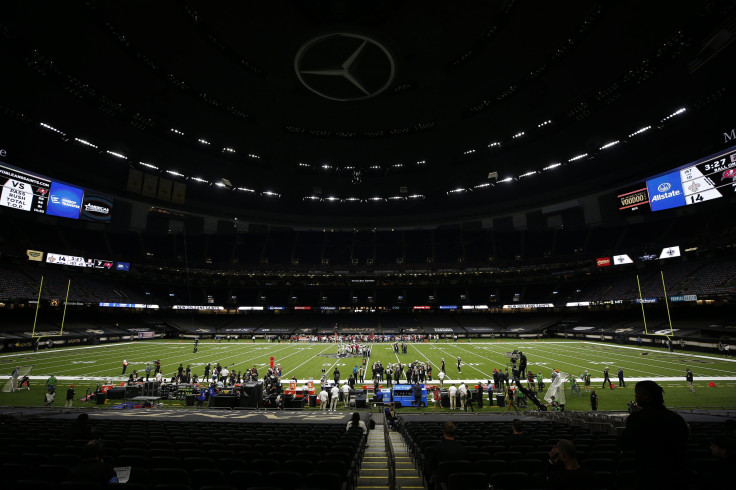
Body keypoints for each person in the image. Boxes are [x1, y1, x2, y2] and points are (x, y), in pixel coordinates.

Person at [621, 380, 690, 490]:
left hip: (647, 471)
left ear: (648, 397)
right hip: (674, 472)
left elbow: (626, 444)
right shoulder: (676, 418)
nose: (635, 396)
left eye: (637, 393)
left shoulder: (636, 418)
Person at [428, 422, 468, 489]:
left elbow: (432, 465)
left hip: (442, 478)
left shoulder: (438, 447)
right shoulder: (462, 448)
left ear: (443, 431)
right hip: (459, 480)